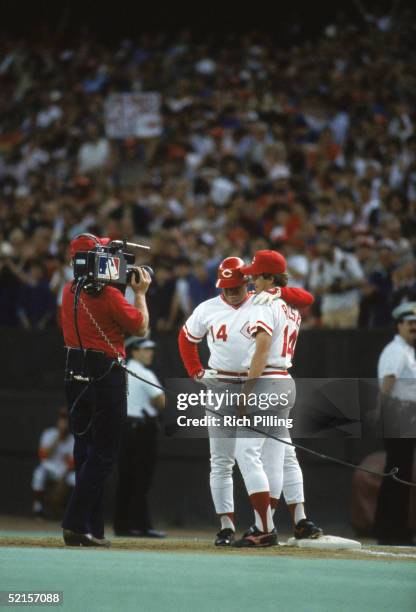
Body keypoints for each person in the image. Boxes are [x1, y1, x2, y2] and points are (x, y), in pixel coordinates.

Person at [178, 255, 321, 546]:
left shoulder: (263, 301)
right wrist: (195, 371)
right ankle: (232, 526)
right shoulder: (212, 307)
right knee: (230, 458)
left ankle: (269, 524)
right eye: (225, 286)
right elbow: (185, 337)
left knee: (267, 454)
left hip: (259, 381)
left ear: (253, 280)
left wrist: (277, 291)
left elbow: (300, 301)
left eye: (239, 284)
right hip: (233, 381)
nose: (231, 291)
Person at [60, 234, 151, 547]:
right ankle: (75, 523)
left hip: (74, 373)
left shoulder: (67, 291)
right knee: (104, 454)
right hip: (106, 374)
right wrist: (140, 293)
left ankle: (92, 528)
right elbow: (140, 327)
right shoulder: (110, 297)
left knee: (84, 451)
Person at [233, 250, 311, 547]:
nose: (251, 279)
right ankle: (264, 524)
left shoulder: (264, 304)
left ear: (270, 277)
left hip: (266, 381)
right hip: (284, 381)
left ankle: (263, 527)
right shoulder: (290, 308)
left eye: (256, 275)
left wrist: (247, 391)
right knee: (275, 458)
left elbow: (263, 349)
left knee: (247, 452)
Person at [113, 337, 166, 538]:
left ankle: (123, 525)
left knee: (126, 478)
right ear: (134, 352)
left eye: (150, 349)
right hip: (142, 430)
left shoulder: (122, 370)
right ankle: (141, 526)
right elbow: (161, 402)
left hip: (124, 428)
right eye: (145, 350)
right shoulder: (144, 373)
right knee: (141, 479)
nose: (150, 353)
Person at [374, 301, 416, 545]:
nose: (413, 328)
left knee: (400, 473)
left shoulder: (408, 351)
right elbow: (388, 383)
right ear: (398, 325)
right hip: (398, 418)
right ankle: (391, 531)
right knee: (397, 474)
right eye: (409, 324)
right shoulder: (396, 351)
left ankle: (394, 529)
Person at [32, 407, 75, 518]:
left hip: (65, 471)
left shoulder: (73, 438)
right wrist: (58, 438)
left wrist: (62, 479)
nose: (63, 422)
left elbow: (72, 462)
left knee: (76, 480)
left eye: (66, 419)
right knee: (38, 474)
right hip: (49, 467)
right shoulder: (49, 433)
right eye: (62, 418)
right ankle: (38, 508)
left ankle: (71, 513)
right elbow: (43, 455)